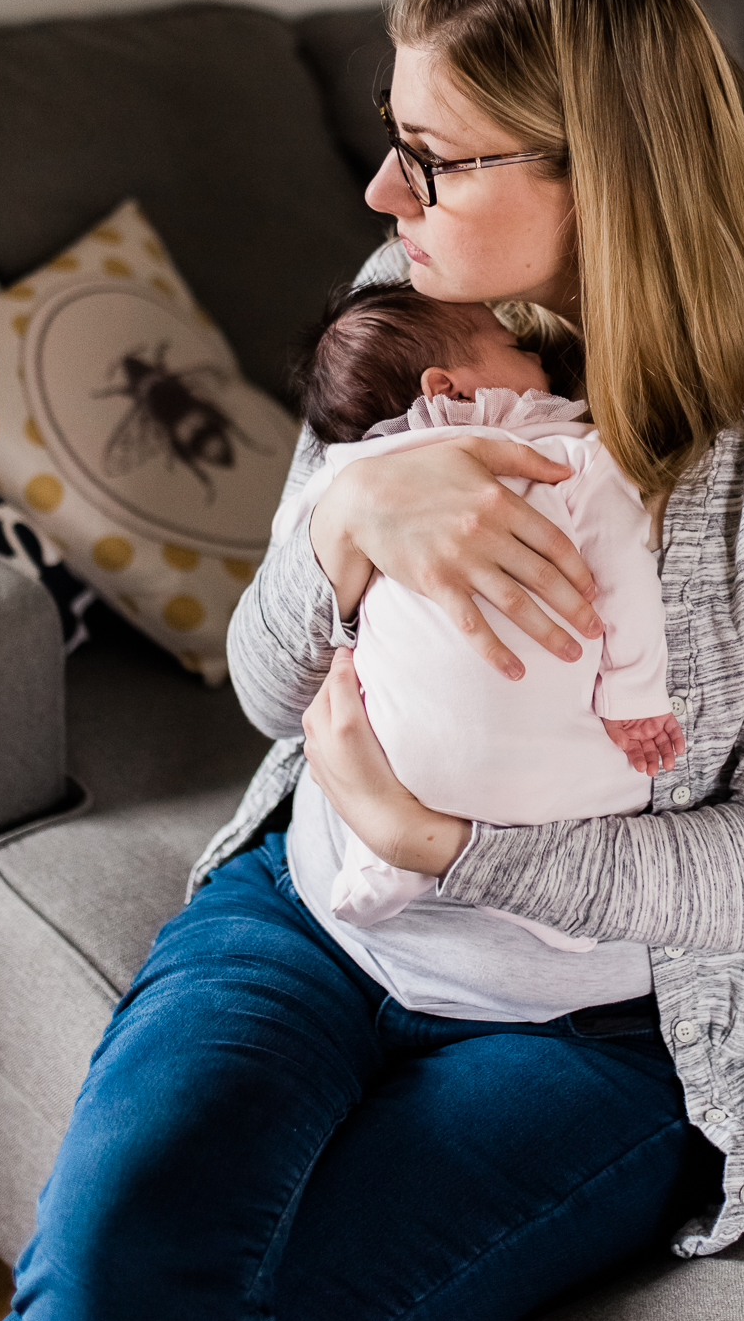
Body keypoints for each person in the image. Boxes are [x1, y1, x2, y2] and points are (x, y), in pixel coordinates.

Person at [0, 0, 744, 1321]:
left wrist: (450, 844)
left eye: (430, 156)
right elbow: (269, 686)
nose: (380, 198)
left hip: (604, 1032)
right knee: (138, 1265)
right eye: (387, 144)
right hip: (308, 913)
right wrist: (347, 513)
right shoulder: (400, 308)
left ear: (602, 172)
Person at [284, 280, 685, 940]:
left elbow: (296, 559)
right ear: (449, 390)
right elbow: (624, 577)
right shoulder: (569, 460)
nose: (538, 358)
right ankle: (553, 917)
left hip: (395, 766)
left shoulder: (339, 475)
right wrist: (633, 694)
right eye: (513, 344)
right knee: (603, 784)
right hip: (558, 788)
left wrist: (396, 830)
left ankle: (385, 860)